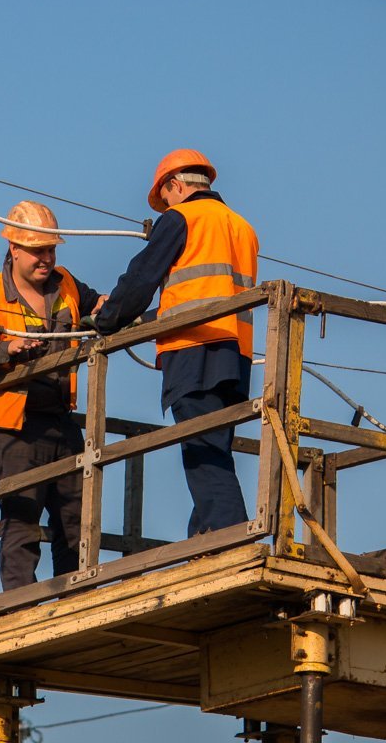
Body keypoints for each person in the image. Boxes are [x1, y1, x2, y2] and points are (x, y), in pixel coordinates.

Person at [89, 149, 259, 537]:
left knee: (204, 454)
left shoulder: (182, 218)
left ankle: (229, 539)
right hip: (237, 355)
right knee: (212, 448)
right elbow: (207, 291)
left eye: (166, 198)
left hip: (193, 350)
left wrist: (107, 319)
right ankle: (203, 536)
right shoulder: (242, 228)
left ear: (175, 186)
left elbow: (141, 278)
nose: (166, 205)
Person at [0, 201, 105, 590]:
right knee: (22, 522)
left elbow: (100, 306)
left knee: (74, 521)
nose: (46, 259)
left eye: (51, 250)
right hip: (15, 427)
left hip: (60, 421)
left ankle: (75, 599)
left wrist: (114, 310)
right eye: (37, 251)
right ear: (14, 248)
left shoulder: (66, 284)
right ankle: (19, 605)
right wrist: (6, 350)